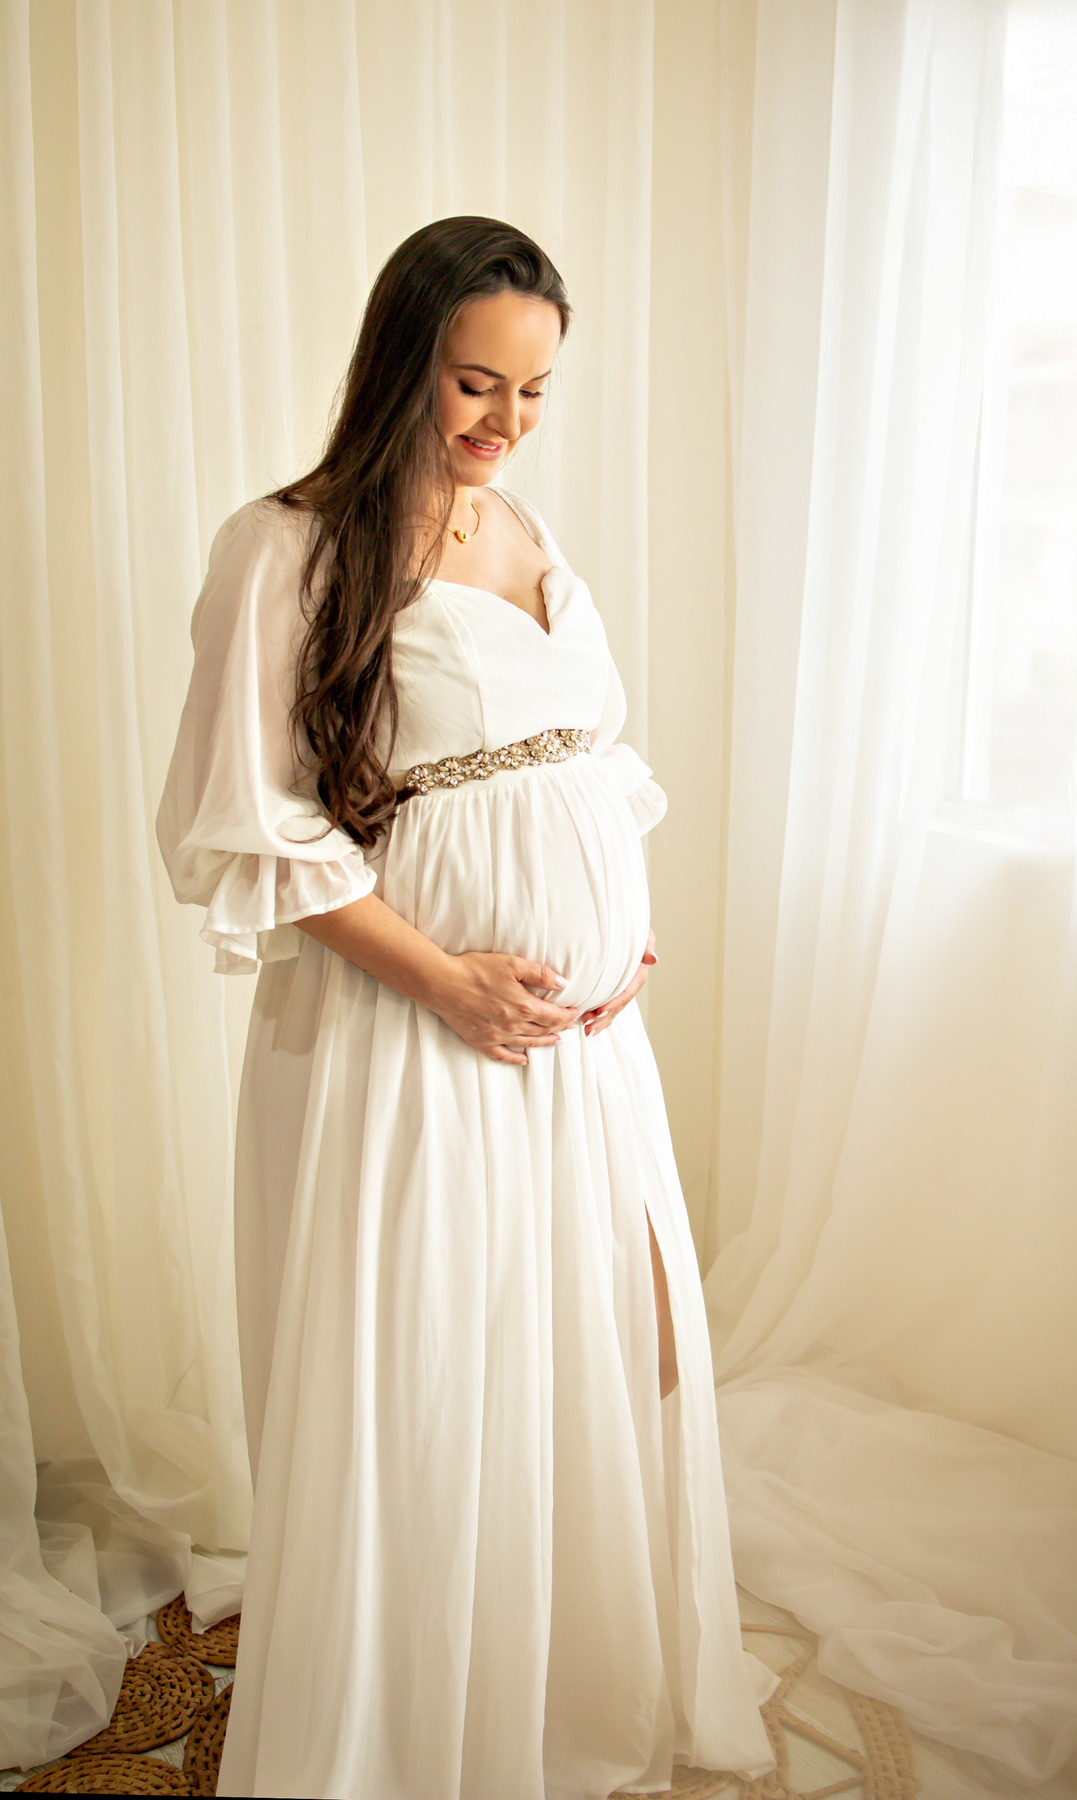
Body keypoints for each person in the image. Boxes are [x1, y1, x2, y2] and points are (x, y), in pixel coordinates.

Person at [156, 215, 777, 1800]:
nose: (507, 422)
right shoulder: (286, 546)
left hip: (578, 1043)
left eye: (537, 390)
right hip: (406, 1033)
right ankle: (410, 1719)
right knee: (431, 1370)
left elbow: (589, 760)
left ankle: (544, 1672)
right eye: (475, 383)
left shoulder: (521, 526)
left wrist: (621, 930)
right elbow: (245, 824)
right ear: (399, 365)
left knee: (592, 1346)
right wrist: (446, 980)